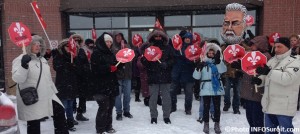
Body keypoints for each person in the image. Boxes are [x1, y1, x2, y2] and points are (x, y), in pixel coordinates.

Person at [12, 35, 69, 134]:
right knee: (34, 122)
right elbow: (17, 79)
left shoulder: (42, 59)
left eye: (39, 44)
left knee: (59, 112)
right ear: (28, 45)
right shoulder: (20, 59)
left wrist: (54, 92)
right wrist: (23, 66)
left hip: (47, 94)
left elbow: (47, 78)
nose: (38, 46)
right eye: (34, 44)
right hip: (33, 95)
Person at [252, 37, 300, 134]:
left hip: (284, 107)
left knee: (286, 132)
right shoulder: (272, 60)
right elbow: (266, 77)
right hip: (269, 105)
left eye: (279, 47)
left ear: (287, 47)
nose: (276, 49)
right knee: (270, 132)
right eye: (275, 47)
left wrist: (269, 72)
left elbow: (287, 79)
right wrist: (259, 81)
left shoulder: (296, 61)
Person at [140, 29, 174, 124]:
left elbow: (173, 60)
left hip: (165, 76)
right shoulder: (149, 49)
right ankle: (153, 116)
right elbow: (143, 61)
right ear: (153, 37)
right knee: (153, 98)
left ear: (163, 37)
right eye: (156, 36)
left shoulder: (168, 48)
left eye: (160, 36)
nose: (158, 38)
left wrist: (166, 64)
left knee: (166, 98)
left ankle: (166, 116)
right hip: (153, 76)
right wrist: (146, 60)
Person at [240, 36, 271, 134]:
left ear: (260, 45)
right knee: (251, 121)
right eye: (251, 44)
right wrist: (240, 69)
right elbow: (247, 69)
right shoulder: (250, 55)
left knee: (257, 122)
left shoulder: (267, 57)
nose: (252, 46)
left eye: (254, 44)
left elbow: (268, 74)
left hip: (258, 95)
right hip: (248, 94)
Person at [220, 3, 248, 114]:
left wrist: (241, 70)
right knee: (226, 92)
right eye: (226, 23)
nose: (229, 28)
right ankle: (227, 105)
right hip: (227, 74)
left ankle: (236, 108)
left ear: (244, 26)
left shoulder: (245, 48)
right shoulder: (222, 47)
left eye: (235, 23)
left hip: (238, 74)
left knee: (237, 92)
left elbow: (249, 63)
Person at [193, 43, 227, 134]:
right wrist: (198, 68)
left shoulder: (218, 62)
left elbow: (223, 70)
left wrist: (219, 62)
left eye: (213, 53)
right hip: (205, 88)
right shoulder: (203, 63)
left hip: (216, 88)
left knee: (216, 108)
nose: (211, 54)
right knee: (206, 107)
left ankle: (217, 124)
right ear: (206, 53)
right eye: (209, 53)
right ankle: (206, 124)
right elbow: (196, 77)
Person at [91, 33, 120, 134]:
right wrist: (108, 68)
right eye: (107, 41)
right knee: (104, 107)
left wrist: (121, 63)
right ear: (102, 42)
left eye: (110, 42)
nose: (108, 44)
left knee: (110, 107)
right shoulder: (96, 53)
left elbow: (115, 66)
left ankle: (108, 126)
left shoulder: (111, 53)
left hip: (111, 84)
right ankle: (100, 129)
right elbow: (95, 69)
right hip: (100, 85)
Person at [53, 38, 80, 131]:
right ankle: (62, 123)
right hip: (62, 85)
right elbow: (56, 67)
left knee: (70, 106)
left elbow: (78, 70)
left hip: (71, 84)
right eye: (67, 46)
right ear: (63, 47)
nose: (69, 48)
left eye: (70, 46)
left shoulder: (74, 56)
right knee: (63, 106)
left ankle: (70, 122)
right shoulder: (58, 56)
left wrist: (74, 64)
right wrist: (67, 65)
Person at [170, 31, 195, 115]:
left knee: (188, 93)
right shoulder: (178, 47)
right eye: (186, 38)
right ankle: (173, 106)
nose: (187, 40)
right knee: (172, 91)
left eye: (189, 38)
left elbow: (195, 61)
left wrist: (189, 60)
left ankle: (188, 109)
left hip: (189, 74)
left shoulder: (194, 49)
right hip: (177, 73)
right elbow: (173, 57)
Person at [111, 31, 133, 120]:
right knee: (118, 95)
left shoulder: (127, 46)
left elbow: (132, 58)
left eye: (120, 36)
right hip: (117, 75)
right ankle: (119, 112)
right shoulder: (113, 48)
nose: (119, 38)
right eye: (117, 37)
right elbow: (112, 60)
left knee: (127, 95)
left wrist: (127, 59)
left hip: (127, 74)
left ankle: (126, 111)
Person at [75, 38, 95, 121]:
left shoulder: (83, 51)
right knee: (73, 98)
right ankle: (72, 115)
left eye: (78, 42)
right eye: (75, 41)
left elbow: (86, 63)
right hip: (75, 77)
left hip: (84, 77)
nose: (76, 43)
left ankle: (80, 113)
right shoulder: (74, 50)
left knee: (82, 96)